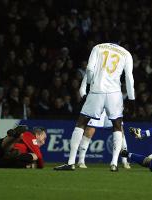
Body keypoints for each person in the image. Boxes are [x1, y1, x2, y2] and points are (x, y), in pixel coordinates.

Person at [54, 42, 135, 172]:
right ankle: (114, 163)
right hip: (114, 94)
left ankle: (71, 162)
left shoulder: (98, 47)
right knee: (118, 126)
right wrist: (131, 99)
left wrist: (90, 83)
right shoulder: (126, 53)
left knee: (81, 123)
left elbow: (90, 69)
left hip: (97, 91)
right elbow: (129, 78)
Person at [76, 75, 131, 169]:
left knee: (120, 130)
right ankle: (81, 161)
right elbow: (82, 88)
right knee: (90, 130)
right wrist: (87, 98)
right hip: (96, 102)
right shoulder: (93, 71)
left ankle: (124, 161)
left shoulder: (114, 70)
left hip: (112, 103)